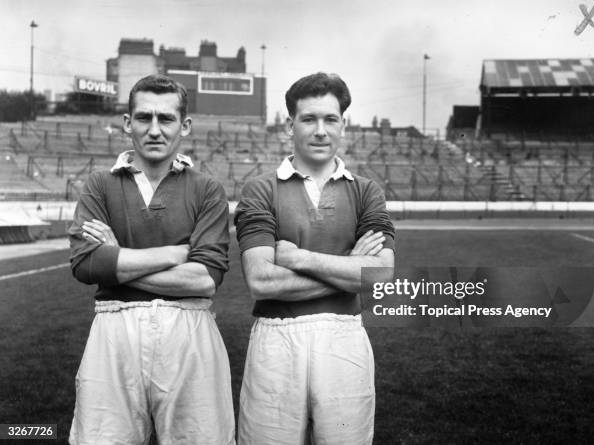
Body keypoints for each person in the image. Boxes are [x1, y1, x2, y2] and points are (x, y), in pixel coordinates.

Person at [68, 74, 235, 445]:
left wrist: (118, 260)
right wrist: (174, 254)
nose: (155, 130)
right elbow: (86, 264)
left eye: (166, 119)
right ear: (128, 123)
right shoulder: (99, 184)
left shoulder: (207, 189)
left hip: (190, 330)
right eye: (144, 118)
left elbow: (204, 279)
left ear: (185, 126)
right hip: (113, 332)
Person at [234, 72, 395, 444]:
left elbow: (380, 275)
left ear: (343, 125)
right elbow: (261, 281)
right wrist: (348, 264)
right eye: (309, 119)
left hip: (344, 337)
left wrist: (300, 257)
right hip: (276, 338)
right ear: (290, 125)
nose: (320, 130)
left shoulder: (367, 191)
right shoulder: (260, 188)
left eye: (330, 119)